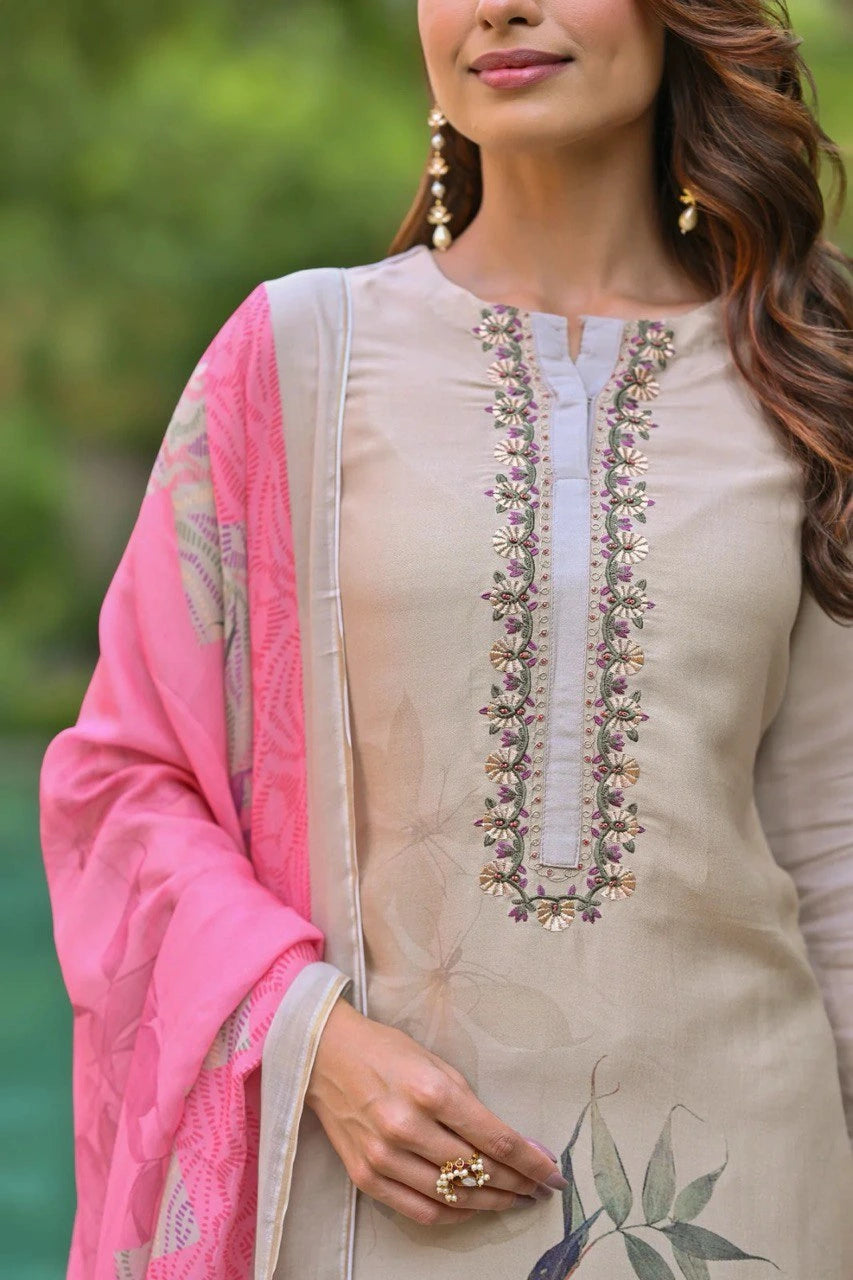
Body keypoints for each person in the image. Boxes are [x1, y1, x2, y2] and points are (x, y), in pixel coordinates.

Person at [38, 1, 853, 1278]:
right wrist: (309, 1039)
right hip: (365, 1186)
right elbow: (120, 781)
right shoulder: (300, 358)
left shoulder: (805, 380)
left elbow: (835, 845)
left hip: (755, 1183)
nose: (499, 7)